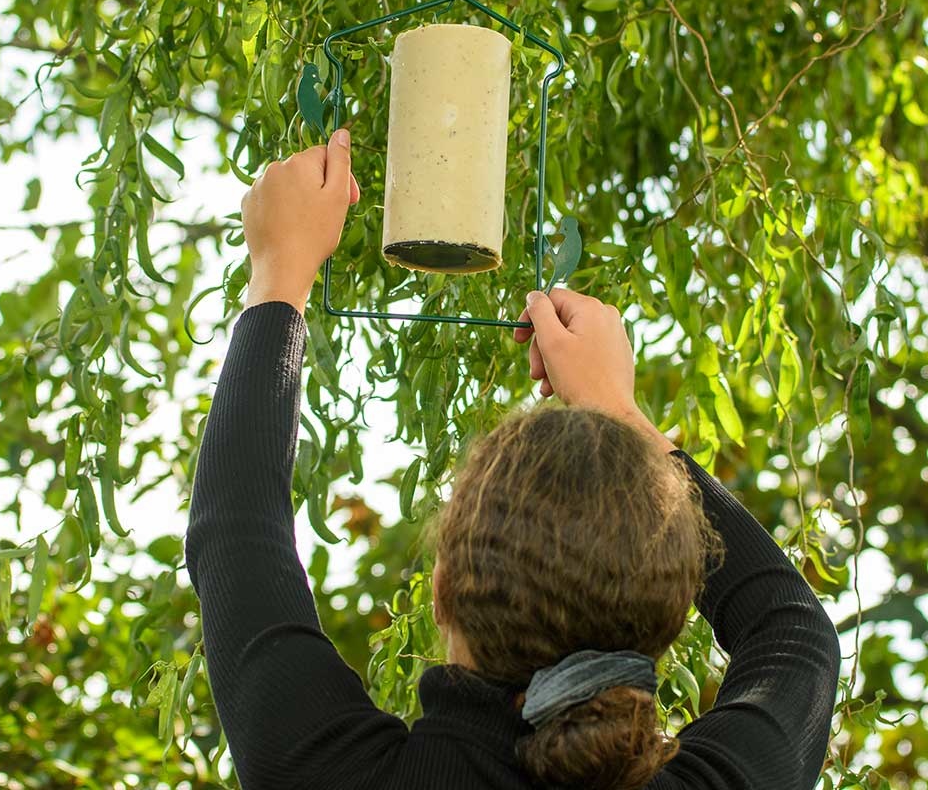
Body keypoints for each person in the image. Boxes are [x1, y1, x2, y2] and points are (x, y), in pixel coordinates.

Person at [184, 282, 842, 790]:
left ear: (442, 592)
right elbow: (791, 630)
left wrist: (277, 278)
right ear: (668, 612)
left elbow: (236, 534)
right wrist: (617, 409)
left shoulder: (331, 772)